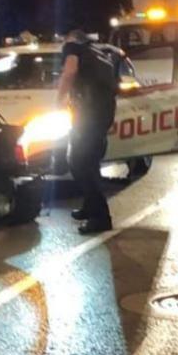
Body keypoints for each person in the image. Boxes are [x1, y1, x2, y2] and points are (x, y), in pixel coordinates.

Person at [56, 29, 123, 234]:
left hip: (88, 116)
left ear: (72, 39)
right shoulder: (101, 54)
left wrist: (59, 101)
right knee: (89, 163)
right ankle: (90, 207)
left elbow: (70, 72)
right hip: (102, 115)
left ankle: (101, 217)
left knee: (80, 164)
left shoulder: (73, 48)